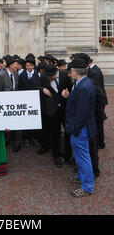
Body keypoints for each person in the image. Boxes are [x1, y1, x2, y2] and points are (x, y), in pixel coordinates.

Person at [64, 57, 97, 197]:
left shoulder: (83, 86)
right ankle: (82, 177)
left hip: (80, 128)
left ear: (76, 71)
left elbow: (82, 113)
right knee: (80, 155)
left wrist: (75, 128)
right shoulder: (84, 83)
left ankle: (87, 186)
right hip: (80, 126)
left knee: (83, 157)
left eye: (72, 70)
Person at [39, 64, 72, 167]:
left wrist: (68, 93)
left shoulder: (65, 75)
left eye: (51, 77)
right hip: (52, 109)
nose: (49, 78)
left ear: (56, 73)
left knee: (68, 132)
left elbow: (71, 89)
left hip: (65, 108)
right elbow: (37, 86)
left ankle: (67, 155)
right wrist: (42, 89)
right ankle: (56, 155)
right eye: (47, 76)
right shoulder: (44, 77)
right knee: (54, 133)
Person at [18, 58, 42, 148]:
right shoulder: (22, 74)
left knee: (34, 120)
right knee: (26, 120)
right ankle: (26, 138)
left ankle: (34, 138)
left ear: (33, 66)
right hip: (25, 100)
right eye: (27, 65)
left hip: (35, 100)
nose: (28, 67)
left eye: (30, 65)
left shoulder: (37, 74)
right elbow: (20, 87)